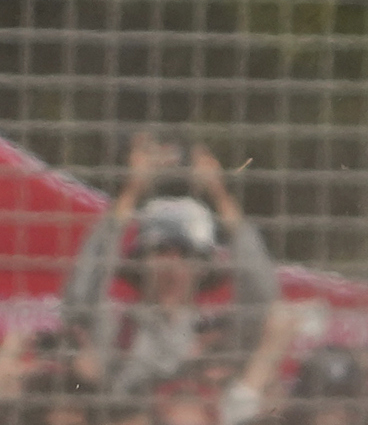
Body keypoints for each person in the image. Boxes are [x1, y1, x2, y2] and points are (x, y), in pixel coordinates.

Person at [58, 136, 275, 395]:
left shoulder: (217, 335)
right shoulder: (117, 327)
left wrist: (219, 193)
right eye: (160, 251)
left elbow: (263, 300)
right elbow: (80, 299)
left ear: (204, 267)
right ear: (140, 261)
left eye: (185, 253)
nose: (172, 264)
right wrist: (131, 191)